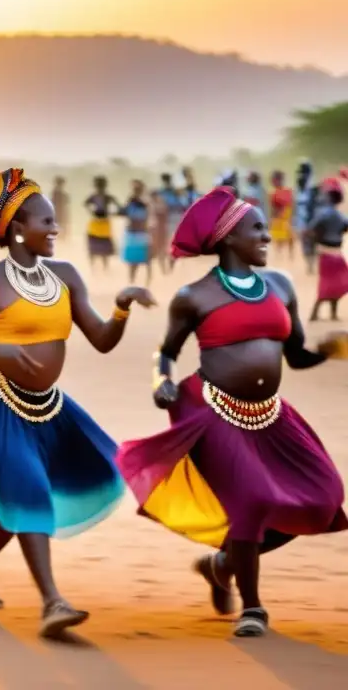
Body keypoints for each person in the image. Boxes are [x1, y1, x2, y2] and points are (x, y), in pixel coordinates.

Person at [0, 168, 153, 638]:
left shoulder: (64, 276)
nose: (55, 229)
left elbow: (103, 340)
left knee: (71, 473)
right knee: (28, 487)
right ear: (17, 228)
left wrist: (122, 307)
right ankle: (52, 602)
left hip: (44, 403)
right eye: (46, 221)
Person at [116, 186, 348, 638]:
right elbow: (165, 354)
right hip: (211, 411)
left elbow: (296, 356)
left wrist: (330, 351)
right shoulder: (193, 296)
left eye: (264, 228)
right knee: (252, 501)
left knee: (323, 497)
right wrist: (159, 382)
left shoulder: (280, 285)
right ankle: (253, 608)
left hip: (269, 415)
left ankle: (223, 562)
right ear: (227, 239)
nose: (266, 236)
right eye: (256, 229)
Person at [308, 178, 348, 321]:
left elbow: (311, 229)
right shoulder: (341, 216)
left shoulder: (322, 214)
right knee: (337, 283)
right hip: (336, 253)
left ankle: (317, 312)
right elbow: (345, 229)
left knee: (327, 284)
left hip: (325, 252)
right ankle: (328, 313)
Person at [120, 179, 152, 284]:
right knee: (135, 260)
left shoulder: (143, 202)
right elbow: (123, 212)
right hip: (134, 233)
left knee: (145, 258)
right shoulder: (132, 201)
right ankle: (133, 281)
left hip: (139, 233)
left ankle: (147, 281)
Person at [83, 176, 118, 268]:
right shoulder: (94, 196)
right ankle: (93, 267)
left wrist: (111, 213)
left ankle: (104, 267)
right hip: (96, 222)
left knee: (103, 247)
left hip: (103, 223)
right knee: (94, 245)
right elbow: (85, 204)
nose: (99, 187)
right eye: (98, 185)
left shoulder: (107, 197)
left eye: (101, 185)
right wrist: (91, 212)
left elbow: (118, 206)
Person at [295, 160, 320, 274]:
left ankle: (312, 263)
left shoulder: (314, 189)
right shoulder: (298, 190)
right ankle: (309, 264)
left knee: (313, 243)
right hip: (302, 221)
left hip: (312, 220)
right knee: (305, 243)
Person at [268, 170, 294, 260]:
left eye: (273, 180)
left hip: (286, 216)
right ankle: (279, 256)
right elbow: (272, 207)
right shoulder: (273, 193)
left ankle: (290, 256)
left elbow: (291, 205)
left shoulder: (287, 191)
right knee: (278, 238)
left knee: (289, 237)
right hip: (278, 218)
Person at [51, 176, 70, 241]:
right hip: (58, 211)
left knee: (61, 225)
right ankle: (61, 238)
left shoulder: (57, 192)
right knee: (60, 225)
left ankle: (62, 238)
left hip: (59, 211)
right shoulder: (57, 192)